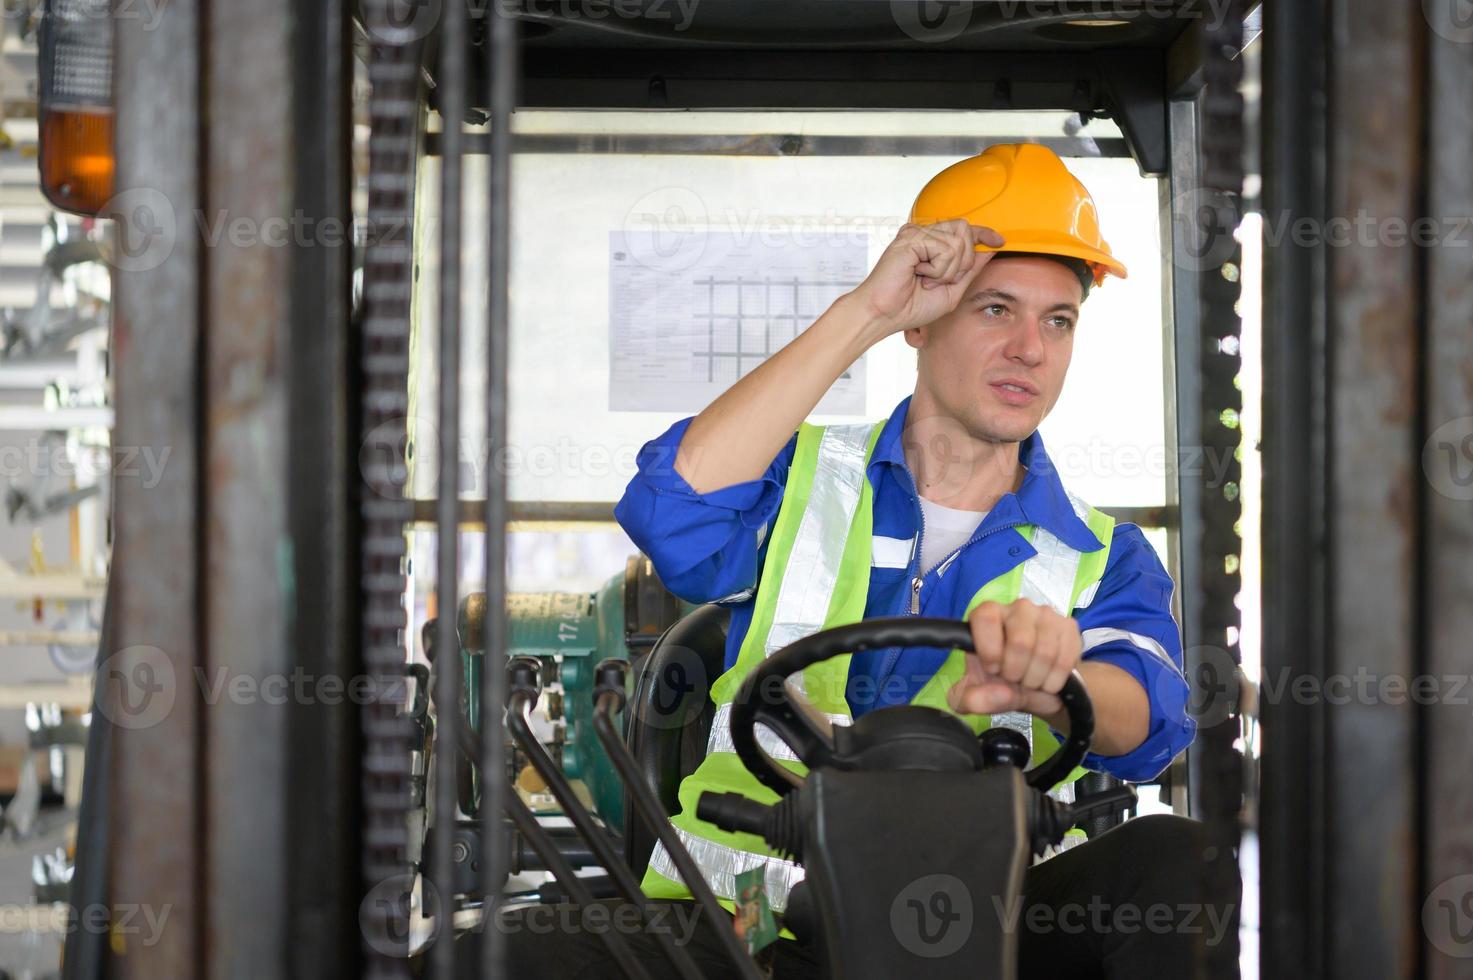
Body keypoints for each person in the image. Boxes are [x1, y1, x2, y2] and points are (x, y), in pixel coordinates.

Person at [489, 144, 1237, 978]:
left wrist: (1055, 687)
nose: (1031, 348)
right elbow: (671, 511)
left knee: (1180, 860)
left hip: (976, 928)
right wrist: (863, 314)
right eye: (996, 309)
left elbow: (1150, 718)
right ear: (921, 315)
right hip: (745, 928)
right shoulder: (793, 480)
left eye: (1057, 320)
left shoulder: (1098, 553)